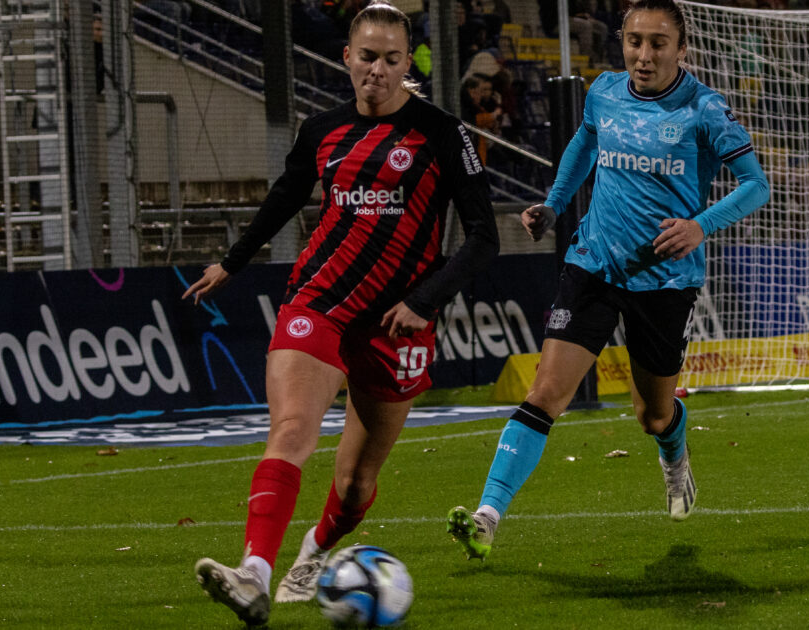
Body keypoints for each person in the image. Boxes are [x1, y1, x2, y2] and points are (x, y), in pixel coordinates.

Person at [183, 2, 499, 625]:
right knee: (292, 430)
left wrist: (424, 301)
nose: (377, 70)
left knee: (355, 484)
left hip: (398, 319)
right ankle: (253, 574)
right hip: (320, 299)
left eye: (390, 59)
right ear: (346, 57)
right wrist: (233, 262)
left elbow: (484, 238)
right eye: (367, 57)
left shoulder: (443, 133)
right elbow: (286, 197)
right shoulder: (321, 130)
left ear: (407, 65)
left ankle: (316, 549)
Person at [446, 0, 769, 561]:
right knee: (546, 392)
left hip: (665, 279)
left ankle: (674, 451)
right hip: (593, 263)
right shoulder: (604, 91)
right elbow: (585, 144)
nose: (644, 55)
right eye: (634, 41)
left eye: (658, 43)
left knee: (653, 415)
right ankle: (487, 517)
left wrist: (700, 225)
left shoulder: (705, 109)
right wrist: (554, 205)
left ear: (681, 49)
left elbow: (756, 184)